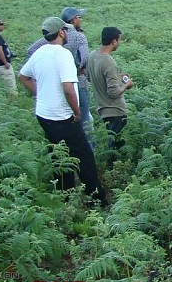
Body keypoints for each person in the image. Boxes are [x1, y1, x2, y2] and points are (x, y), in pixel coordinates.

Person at [19, 17, 107, 207]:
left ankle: (64, 198)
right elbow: (68, 88)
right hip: (62, 116)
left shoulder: (40, 52)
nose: (66, 33)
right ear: (61, 32)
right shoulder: (63, 55)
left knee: (59, 155)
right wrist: (76, 113)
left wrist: (40, 93)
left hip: (43, 115)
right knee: (84, 157)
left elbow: (23, 76)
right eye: (65, 31)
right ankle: (96, 201)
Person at [27, 7, 93, 137]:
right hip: (77, 84)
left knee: (62, 120)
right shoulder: (79, 37)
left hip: (54, 87)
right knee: (84, 122)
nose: (81, 20)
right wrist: (79, 69)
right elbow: (84, 58)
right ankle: (87, 149)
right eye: (80, 17)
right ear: (74, 20)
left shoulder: (50, 37)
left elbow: (30, 50)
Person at [86, 27, 134, 153]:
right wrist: (126, 84)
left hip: (101, 107)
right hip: (115, 110)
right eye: (119, 40)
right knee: (117, 146)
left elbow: (90, 77)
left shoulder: (92, 55)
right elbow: (113, 93)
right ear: (114, 41)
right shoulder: (109, 62)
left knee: (111, 140)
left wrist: (116, 77)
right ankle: (115, 169)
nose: (119, 43)